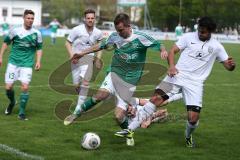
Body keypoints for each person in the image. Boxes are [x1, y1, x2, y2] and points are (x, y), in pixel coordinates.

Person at [115, 16, 236, 148]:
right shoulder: (188, 37)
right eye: (199, 30)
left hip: (195, 84)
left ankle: (188, 136)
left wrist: (231, 65)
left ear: (211, 31)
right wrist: (172, 66)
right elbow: (172, 51)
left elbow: (229, 67)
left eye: (204, 32)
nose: (200, 33)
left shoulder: (217, 46)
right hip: (176, 76)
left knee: (193, 119)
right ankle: (130, 130)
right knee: (155, 99)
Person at [65, 13, 168, 145]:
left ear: (128, 26)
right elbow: (100, 46)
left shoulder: (141, 37)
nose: (118, 33)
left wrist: (162, 50)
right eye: (117, 30)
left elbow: (159, 44)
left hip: (129, 81)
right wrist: (81, 53)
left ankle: (128, 133)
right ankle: (77, 113)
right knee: (100, 95)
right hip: (114, 73)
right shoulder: (115, 36)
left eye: (120, 30)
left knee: (119, 116)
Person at [0, 9, 43, 120]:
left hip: (27, 65)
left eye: (32, 18)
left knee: (25, 87)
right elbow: (5, 43)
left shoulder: (37, 33)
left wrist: (38, 61)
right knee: (8, 87)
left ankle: (22, 113)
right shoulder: (15, 31)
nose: (30, 20)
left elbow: (39, 48)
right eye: (28, 18)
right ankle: (13, 102)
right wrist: (0, 57)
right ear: (23, 18)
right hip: (13, 64)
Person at [64, 9, 103, 125]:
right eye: (88, 18)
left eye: (92, 18)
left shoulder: (98, 32)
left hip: (88, 59)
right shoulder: (77, 30)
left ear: (95, 19)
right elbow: (67, 43)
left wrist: (98, 58)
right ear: (85, 19)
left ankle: (77, 110)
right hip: (76, 60)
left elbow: (101, 45)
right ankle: (80, 93)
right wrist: (72, 56)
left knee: (85, 82)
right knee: (77, 84)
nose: (90, 20)